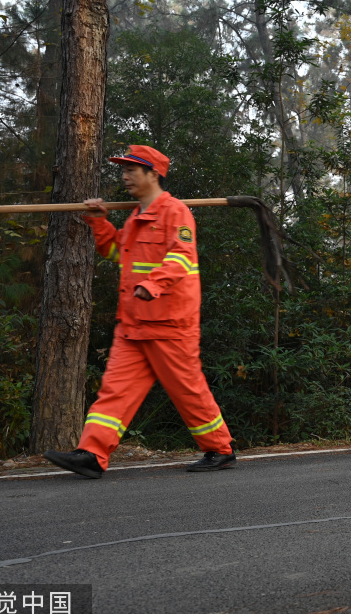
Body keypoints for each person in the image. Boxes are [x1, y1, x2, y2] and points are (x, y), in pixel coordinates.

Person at [44, 145, 236, 478]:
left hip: (169, 323)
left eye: (132, 170)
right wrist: (98, 222)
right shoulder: (135, 216)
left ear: (153, 174)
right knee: (115, 391)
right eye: (124, 169)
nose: (125, 176)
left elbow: (181, 257)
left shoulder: (176, 212)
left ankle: (220, 448)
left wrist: (153, 284)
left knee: (187, 390)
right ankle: (91, 453)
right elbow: (118, 252)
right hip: (133, 323)